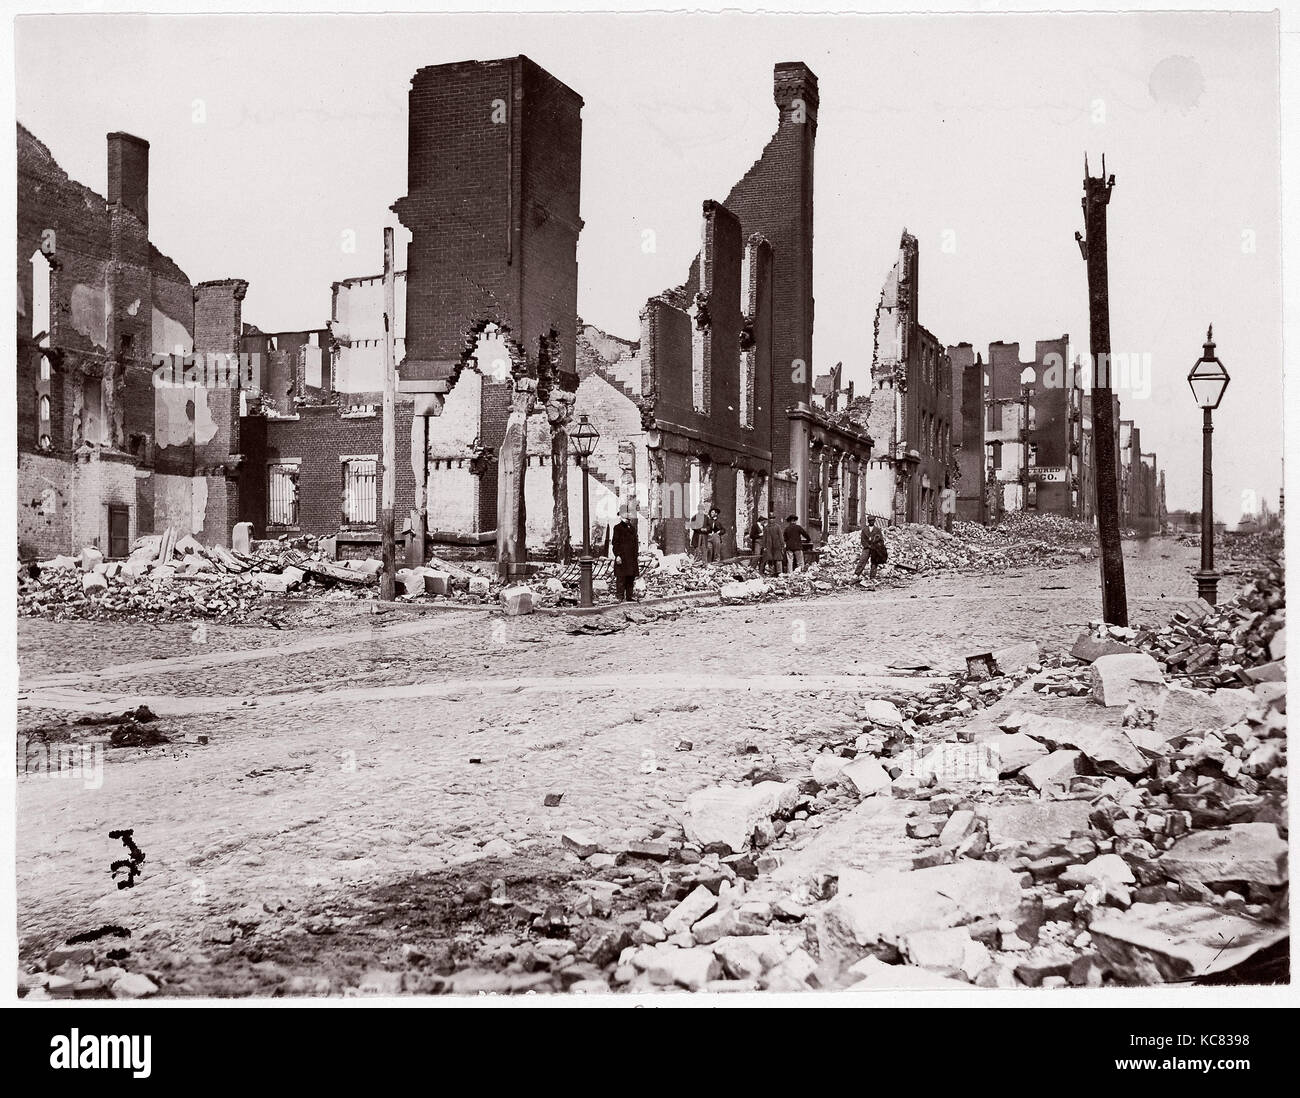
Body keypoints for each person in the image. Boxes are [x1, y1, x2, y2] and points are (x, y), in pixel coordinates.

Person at [611, 504, 639, 601]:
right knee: (621, 578)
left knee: (630, 578)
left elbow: (635, 543)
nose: (629, 515)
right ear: (622, 514)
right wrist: (617, 555)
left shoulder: (632, 528)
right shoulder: (617, 528)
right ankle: (620, 597)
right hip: (622, 557)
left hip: (631, 557)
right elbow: (615, 543)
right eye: (627, 513)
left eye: (629, 513)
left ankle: (629, 597)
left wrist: (636, 555)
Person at [855, 516, 888, 582]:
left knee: (874, 562)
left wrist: (877, 545)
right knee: (862, 560)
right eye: (870, 521)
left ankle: (872, 577)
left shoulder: (877, 530)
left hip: (875, 548)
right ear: (868, 521)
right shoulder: (864, 530)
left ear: (874, 521)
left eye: (872, 521)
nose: (871, 522)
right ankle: (856, 574)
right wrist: (867, 545)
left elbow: (881, 539)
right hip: (867, 548)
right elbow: (863, 540)